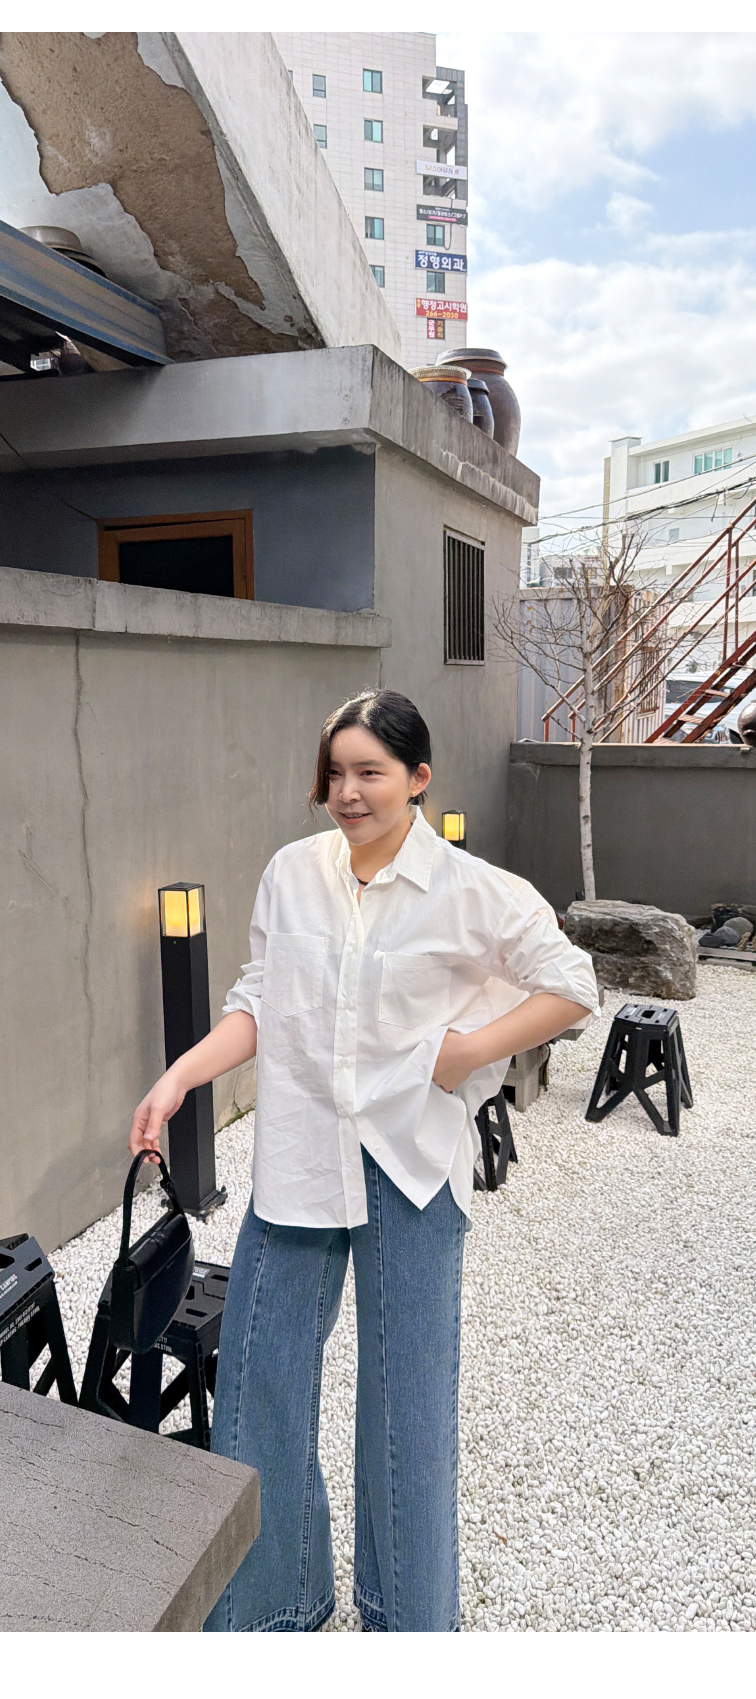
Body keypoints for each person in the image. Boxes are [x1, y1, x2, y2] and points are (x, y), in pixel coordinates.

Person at [129, 689, 598, 1632]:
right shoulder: (291, 873)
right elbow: (261, 1000)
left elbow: (572, 983)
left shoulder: (471, 889)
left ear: (418, 779)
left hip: (410, 1164)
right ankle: (274, 1603)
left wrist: (467, 1053)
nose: (348, 792)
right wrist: (179, 1077)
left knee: (407, 1408)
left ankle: (408, 1621)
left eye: (370, 773)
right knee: (258, 1381)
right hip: (302, 1156)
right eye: (335, 773)